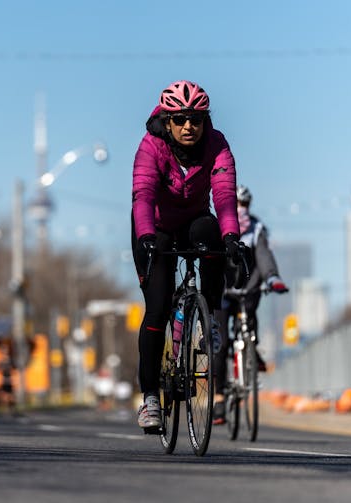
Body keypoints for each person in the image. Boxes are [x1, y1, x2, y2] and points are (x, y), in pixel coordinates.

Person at [131, 80, 243, 430]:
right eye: (179, 119)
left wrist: (233, 239)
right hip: (156, 226)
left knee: (212, 233)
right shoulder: (151, 146)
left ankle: (208, 315)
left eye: (196, 118)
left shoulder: (217, 144)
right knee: (158, 307)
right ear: (167, 122)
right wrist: (147, 237)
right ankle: (149, 399)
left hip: (194, 220)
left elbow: (224, 196)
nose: (188, 126)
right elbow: (143, 196)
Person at [211, 183, 288, 424]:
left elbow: (264, 256)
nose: (240, 209)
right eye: (236, 204)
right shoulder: (216, 228)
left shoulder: (256, 229)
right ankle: (219, 399)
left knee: (249, 321)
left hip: (248, 290)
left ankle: (252, 350)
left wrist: (273, 278)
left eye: (244, 204)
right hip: (222, 293)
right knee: (220, 344)